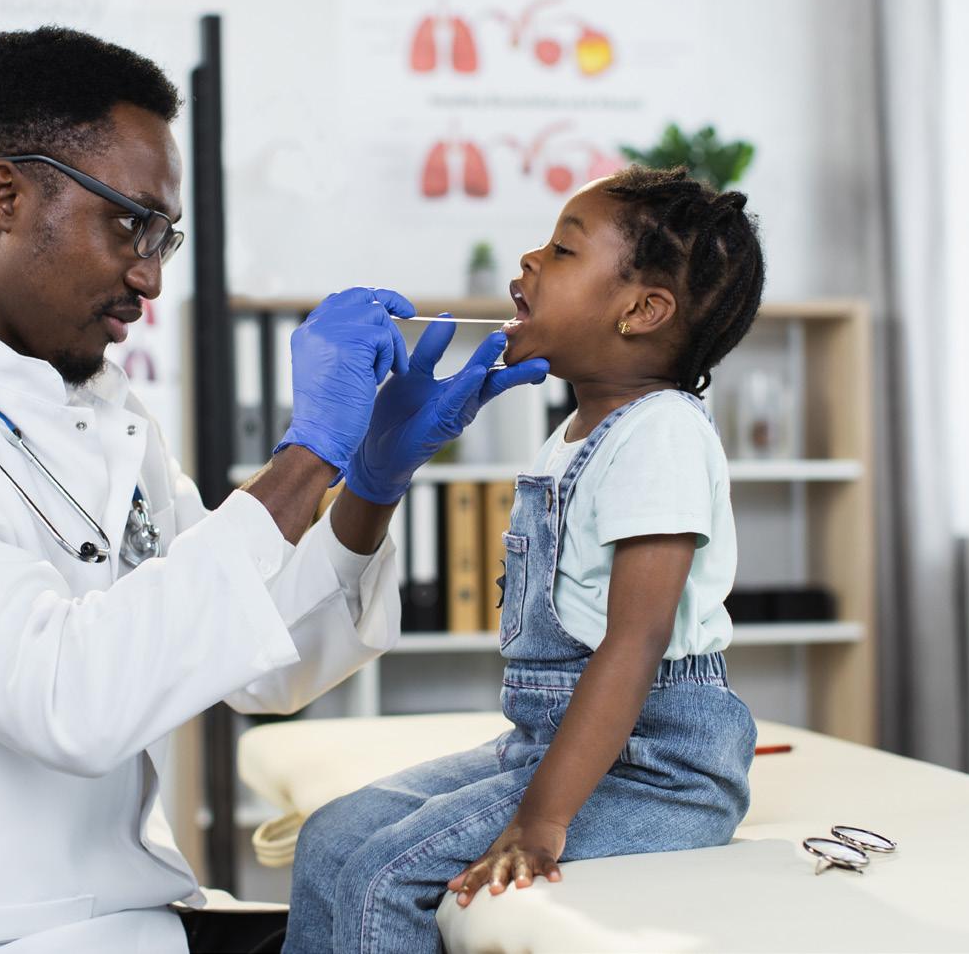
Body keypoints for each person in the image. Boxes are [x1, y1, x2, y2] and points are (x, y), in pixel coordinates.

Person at [0, 26, 548, 954]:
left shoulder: (101, 411)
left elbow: (266, 666)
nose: (147, 277)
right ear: (6, 195)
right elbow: (71, 699)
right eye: (129, 224)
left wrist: (370, 482)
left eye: (164, 237)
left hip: (137, 918)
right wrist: (305, 459)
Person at [285, 165, 767, 954]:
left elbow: (634, 641)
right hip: (557, 746)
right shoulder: (575, 434)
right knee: (333, 836)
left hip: (657, 770)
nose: (530, 259)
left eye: (563, 250)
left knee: (382, 873)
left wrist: (540, 821)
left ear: (641, 310)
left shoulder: (661, 432)